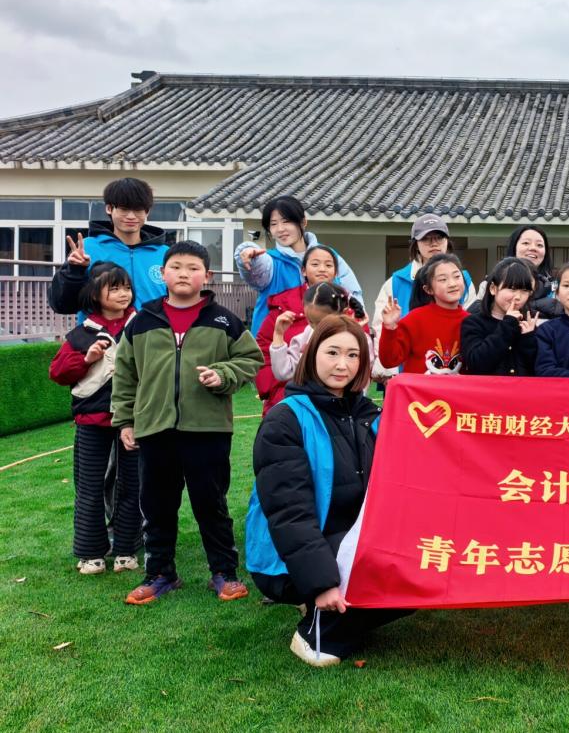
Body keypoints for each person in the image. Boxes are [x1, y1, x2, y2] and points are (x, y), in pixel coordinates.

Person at [247, 316, 409, 667]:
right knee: (384, 568)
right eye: (332, 352)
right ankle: (317, 632)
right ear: (311, 354)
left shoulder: (371, 416)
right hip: (288, 552)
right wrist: (320, 582)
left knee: (419, 560)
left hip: (350, 539)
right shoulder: (285, 420)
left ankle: (342, 605)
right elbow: (290, 512)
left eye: (353, 355)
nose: (342, 365)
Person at [111, 240, 264, 604]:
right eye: (176, 267)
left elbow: (251, 359)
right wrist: (125, 421)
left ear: (206, 276)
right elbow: (125, 374)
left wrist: (222, 374)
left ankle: (224, 573)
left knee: (211, 504)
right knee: (157, 506)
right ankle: (160, 573)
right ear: (162, 274)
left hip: (207, 429)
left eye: (193, 268)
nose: (184, 274)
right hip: (154, 428)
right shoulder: (141, 321)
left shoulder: (223, 320)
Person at [48, 263, 140, 575]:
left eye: (126, 287)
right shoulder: (81, 333)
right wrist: (86, 359)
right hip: (92, 420)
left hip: (134, 419)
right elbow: (58, 373)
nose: (123, 294)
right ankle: (91, 553)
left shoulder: (143, 327)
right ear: (95, 294)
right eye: (114, 288)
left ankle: (127, 550)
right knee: (89, 487)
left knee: (132, 486)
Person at [236, 195, 363, 335]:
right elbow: (258, 267)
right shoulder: (270, 260)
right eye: (273, 224)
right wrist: (247, 253)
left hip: (322, 339)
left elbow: (353, 295)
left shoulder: (328, 255)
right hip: (273, 342)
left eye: (286, 221)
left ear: (303, 222)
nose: (280, 229)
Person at [48, 177, 169, 318]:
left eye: (138, 209)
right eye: (124, 209)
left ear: (147, 212)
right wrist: (74, 271)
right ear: (109, 209)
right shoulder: (87, 248)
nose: (131, 216)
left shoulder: (164, 253)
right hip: (100, 332)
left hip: (153, 331)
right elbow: (61, 305)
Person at [254, 245, 340, 414]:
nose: (322, 269)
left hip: (336, 395)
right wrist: (273, 389)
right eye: (315, 264)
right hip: (287, 394)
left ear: (336, 272)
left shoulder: (348, 305)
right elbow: (263, 347)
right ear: (303, 270)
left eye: (328, 265)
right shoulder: (283, 304)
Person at [373, 215, 476, 333]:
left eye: (439, 237)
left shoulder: (463, 280)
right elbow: (380, 326)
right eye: (426, 238)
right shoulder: (396, 282)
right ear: (415, 244)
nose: (434, 243)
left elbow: (473, 323)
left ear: (447, 241)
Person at [376, 253, 468, 375]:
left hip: (457, 388)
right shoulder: (414, 319)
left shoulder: (471, 321)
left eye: (457, 276)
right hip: (418, 388)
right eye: (443, 279)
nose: (452, 284)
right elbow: (389, 361)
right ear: (428, 289)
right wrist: (389, 327)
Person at [271, 283, 375, 383]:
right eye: (310, 321)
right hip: (308, 394)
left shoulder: (360, 340)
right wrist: (278, 335)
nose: (316, 328)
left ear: (344, 312)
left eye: (321, 322)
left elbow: (362, 377)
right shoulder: (306, 337)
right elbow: (283, 373)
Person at [460, 257, 540, 376]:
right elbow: (476, 364)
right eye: (512, 288)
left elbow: (537, 369)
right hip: (487, 388)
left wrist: (528, 339)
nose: (518, 297)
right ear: (493, 288)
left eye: (524, 290)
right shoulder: (473, 323)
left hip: (520, 388)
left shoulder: (527, 325)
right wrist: (507, 324)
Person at [503, 225, 561, 318]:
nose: (533, 248)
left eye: (539, 245)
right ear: (514, 247)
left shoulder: (558, 286)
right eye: (526, 243)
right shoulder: (495, 281)